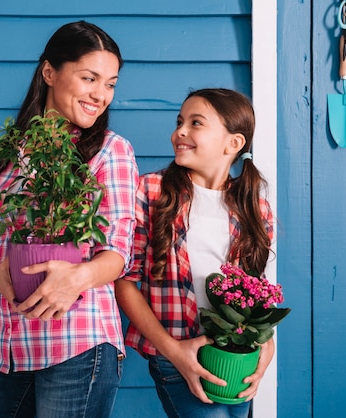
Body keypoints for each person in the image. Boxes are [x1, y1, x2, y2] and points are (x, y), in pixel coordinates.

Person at [0, 21, 139, 418]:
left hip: (77, 338)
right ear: (50, 72)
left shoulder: (110, 151)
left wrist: (77, 278)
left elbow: (119, 249)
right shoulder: (1, 150)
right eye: (89, 78)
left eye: (110, 84)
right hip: (0, 342)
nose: (100, 95)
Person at [115, 88, 274, 418]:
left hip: (237, 355)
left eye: (196, 123)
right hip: (179, 353)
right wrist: (173, 351)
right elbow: (124, 283)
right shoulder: (151, 192)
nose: (180, 132)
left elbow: (256, 292)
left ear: (233, 144)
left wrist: (266, 346)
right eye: (179, 122)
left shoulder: (255, 207)